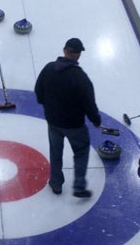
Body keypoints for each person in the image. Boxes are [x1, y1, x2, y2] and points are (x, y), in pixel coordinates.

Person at [34, 38, 102, 198]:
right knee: (81, 151)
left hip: (53, 121)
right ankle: (79, 186)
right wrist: (96, 120)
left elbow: (38, 91)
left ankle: (56, 184)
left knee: (55, 151)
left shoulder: (49, 68)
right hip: (74, 125)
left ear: (65, 50)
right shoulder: (80, 78)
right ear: (78, 55)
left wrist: (47, 106)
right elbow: (89, 104)